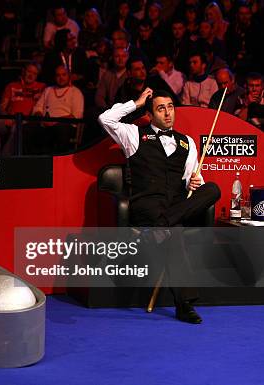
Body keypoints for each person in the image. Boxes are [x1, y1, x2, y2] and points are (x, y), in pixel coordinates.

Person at [98, 87, 221, 324]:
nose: (167, 113)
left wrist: (196, 182)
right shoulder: (134, 135)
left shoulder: (188, 143)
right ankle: (184, 305)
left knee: (212, 189)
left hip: (174, 206)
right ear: (151, 114)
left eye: (171, 107)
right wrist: (137, 102)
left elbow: (192, 182)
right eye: (160, 108)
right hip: (148, 205)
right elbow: (105, 119)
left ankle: (161, 227)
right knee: (173, 231)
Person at [0, 62, 45, 156]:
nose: (31, 75)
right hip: (9, 118)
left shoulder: (42, 87)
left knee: (16, 128)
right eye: (29, 71)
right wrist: (6, 117)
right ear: (23, 71)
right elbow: (1, 106)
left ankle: (4, 158)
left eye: (34, 73)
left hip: (26, 121)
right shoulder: (12, 85)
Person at [32, 65, 84, 152]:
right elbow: (37, 108)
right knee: (27, 129)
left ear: (69, 76)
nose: (61, 78)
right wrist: (42, 118)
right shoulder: (48, 90)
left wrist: (55, 122)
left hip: (65, 125)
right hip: (45, 123)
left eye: (64, 75)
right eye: (58, 75)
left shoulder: (76, 92)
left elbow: (76, 115)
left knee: (60, 129)